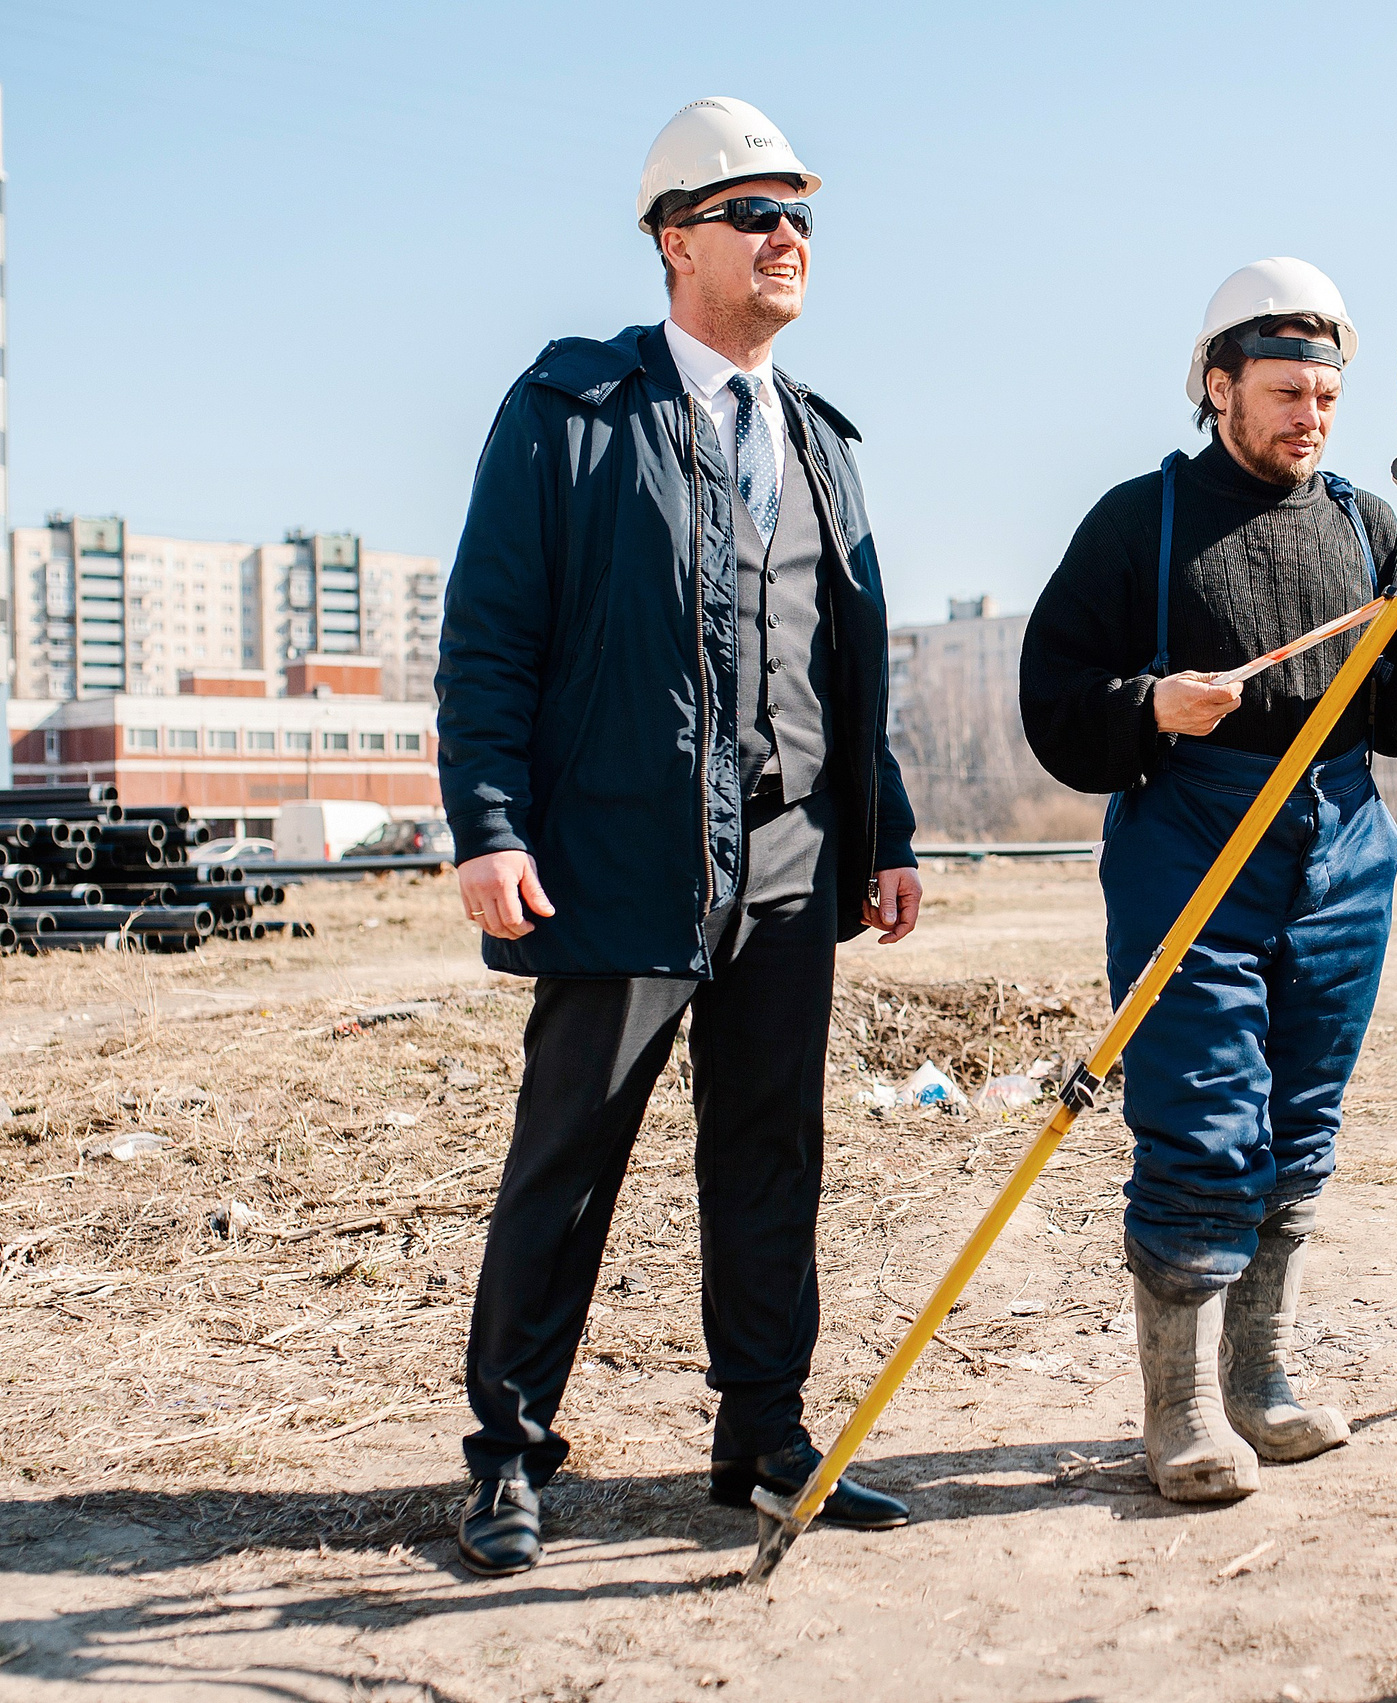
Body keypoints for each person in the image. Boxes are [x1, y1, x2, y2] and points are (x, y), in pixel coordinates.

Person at [434, 96, 922, 1577]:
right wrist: (489, 824)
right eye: (752, 214)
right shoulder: (571, 412)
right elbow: (490, 635)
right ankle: (510, 1456)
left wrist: (885, 833)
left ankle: (764, 1438)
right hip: (619, 853)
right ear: (672, 241)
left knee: (772, 1152)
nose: (787, 238)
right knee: (569, 1158)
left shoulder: (820, 441)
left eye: (800, 216)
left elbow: (849, 665)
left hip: (789, 861)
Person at [1019, 259, 1397, 1502]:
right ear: (1218, 386)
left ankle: (1259, 1383)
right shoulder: (1138, 521)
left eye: (1325, 396)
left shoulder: (1367, 528)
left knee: (1301, 1125)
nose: (1309, 416)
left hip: (1342, 842)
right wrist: (1149, 707)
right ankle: (1177, 1412)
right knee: (1205, 1122)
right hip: (1192, 840)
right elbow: (1053, 699)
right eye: (1284, 392)